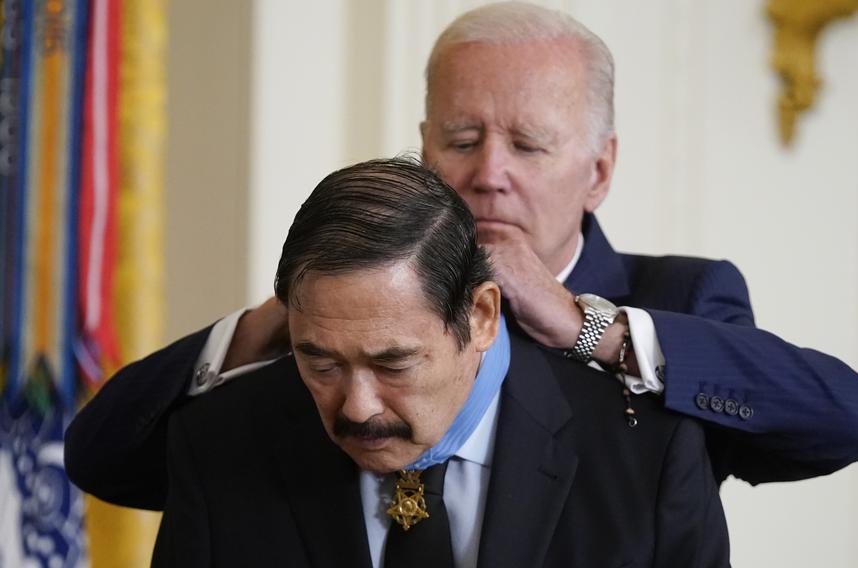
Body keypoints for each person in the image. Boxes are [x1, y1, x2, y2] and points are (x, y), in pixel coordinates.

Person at [65, 2, 858, 512]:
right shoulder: (345, 326)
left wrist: (585, 328)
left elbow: (839, 425)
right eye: (460, 139)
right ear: (423, 146)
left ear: (598, 170)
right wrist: (293, 317)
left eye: (527, 145)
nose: (488, 174)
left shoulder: (677, 294)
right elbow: (105, 459)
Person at [149, 157, 729, 567]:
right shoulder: (217, 445)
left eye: (394, 364)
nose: (357, 406)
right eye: (321, 364)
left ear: (479, 316)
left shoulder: (646, 455)